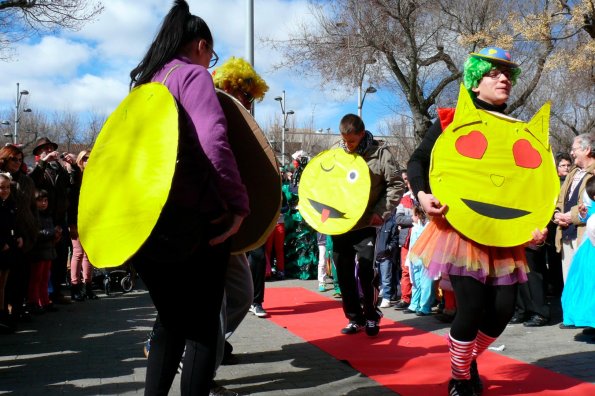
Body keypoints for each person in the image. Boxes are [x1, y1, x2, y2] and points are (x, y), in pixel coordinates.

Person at [407, 46, 548, 395]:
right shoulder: (449, 120)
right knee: (469, 308)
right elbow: (417, 163)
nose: (504, 79)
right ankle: (460, 376)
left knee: (501, 311)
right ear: (475, 80)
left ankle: (464, 359)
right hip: (462, 232)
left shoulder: (516, 128)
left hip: (503, 236)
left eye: (508, 75)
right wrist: (423, 196)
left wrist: (537, 224)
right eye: (494, 73)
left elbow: (532, 186)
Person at [126, 1, 249, 394]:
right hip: (194, 223)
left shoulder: (147, 85)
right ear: (200, 45)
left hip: (147, 223)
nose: (210, 62)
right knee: (200, 329)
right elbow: (214, 141)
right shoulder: (193, 77)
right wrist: (238, 205)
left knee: (169, 322)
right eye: (211, 54)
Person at [333, 114, 404, 337]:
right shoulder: (338, 153)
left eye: (351, 141)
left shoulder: (381, 154)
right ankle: (355, 319)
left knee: (366, 271)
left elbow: (396, 184)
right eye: (344, 140)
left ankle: (372, 315)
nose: (347, 145)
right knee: (343, 274)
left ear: (362, 134)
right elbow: (325, 183)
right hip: (341, 223)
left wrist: (381, 212)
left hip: (367, 224)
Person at [29, 137, 79, 305]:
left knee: (60, 256)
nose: (49, 150)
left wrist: (72, 165)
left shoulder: (60, 169)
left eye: (50, 148)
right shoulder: (38, 168)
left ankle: (56, 291)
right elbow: (32, 181)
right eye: (44, 149)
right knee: (45, 259)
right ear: (38, 154)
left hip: (61, 218)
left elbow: (72, 186)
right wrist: (43, 162)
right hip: (45, 219)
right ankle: (45, 295)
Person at [0, 145, 37, 324]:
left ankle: (18, 307)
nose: (17, 163)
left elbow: (32, 207)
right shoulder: (2, 181)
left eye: (20, 159)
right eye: (13, 159)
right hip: (9, 234)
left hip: (27, 232)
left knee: (23, 275)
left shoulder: (27, 181)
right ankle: (6, 310)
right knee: (9, 278)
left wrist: (34, 228)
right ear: (5, 159)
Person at [553, 133, 595, 284]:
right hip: (565, 234)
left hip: (585, 238)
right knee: (569, 284)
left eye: (574, 149)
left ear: (587, 150)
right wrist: (557, 214)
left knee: (584, 283)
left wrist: (572, 216)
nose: (571, 153)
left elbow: (591, 204)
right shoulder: (573, 172)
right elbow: (560, 197)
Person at [560, 177, 595, 332]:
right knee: (585, 284)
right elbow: (589, 217)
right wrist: (582, 214)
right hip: (589, 247)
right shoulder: (592, 203)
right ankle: (588, 320)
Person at [69, 150, 98, 302]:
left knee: (89, 255)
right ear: (80, 161)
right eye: (85, 158)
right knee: (78, 253)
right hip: (78, 221)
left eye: (90, 158)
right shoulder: (75, 178)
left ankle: (88, 286)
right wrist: (72, 224)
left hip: (92, 221)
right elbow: (72, 203)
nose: (88, 160)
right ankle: (75, 287)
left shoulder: (96, 177)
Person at [27, 189, 60, 315]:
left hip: (48, 251)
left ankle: (45, 301)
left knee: (45, 278)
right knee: (36, 278)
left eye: (45, 200)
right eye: (40, 201)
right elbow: (37, 234)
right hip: (38, 252)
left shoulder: (48, 215)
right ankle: (34, 302)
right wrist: (52, 232)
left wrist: (56, 233)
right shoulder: (34, 216)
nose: (43, 203)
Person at [0, 172, 23, 333]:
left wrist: (19, 235)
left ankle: (3, 315)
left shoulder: (9, 204)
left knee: (3, 284)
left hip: (8, 249)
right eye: (1, 188)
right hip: (2, 247)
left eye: (7, 187)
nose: (5, 191)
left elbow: (14, 223)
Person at [404, 206, 432, 316]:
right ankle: (414, 304)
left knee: (426, 283)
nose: (411, 217)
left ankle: (424, 307)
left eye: (413, 215)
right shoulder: (415, 227)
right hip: (414, 258)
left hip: (425, 258)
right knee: (415, 282)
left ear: (418, 215)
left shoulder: (429, 226)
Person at [394, 171, 415, 310]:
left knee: (422, 271)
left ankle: (423, 301)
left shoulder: (425, 197)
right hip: (407, 239)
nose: (408, 183)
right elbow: (398, 218)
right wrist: (413, 220)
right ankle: (405, 298)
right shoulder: (404, 199)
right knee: (406, 269)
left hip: (424, 238)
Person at [375, 209, 399, 308]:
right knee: (378, 278)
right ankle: (378, 296)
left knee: (386, 278)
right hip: (375, 256)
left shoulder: (391, 223)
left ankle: (387, 298)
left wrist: (388, 249)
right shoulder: (375, 224)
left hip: (386, 255)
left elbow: (395, 239)